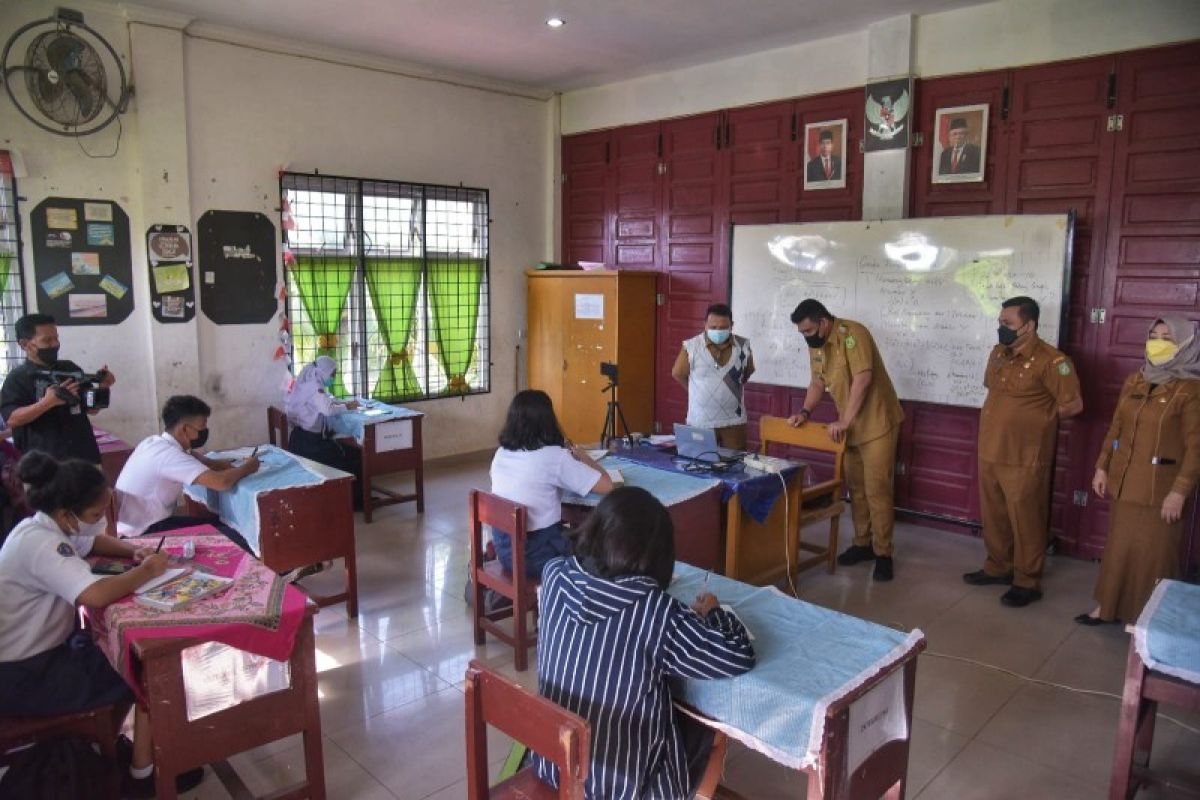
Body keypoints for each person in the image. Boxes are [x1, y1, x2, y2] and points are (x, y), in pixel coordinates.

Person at [0, 452, 203, 796]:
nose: (100, 521)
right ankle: (143, 777)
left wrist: (130, 552)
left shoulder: (45, 524)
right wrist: (147, 571)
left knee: (115, 652)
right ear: (67, 514)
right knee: (145, 667)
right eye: (95, 514)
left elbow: (90, 540)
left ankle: (116, 740)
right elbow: (94, 595)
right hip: (24, 676)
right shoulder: (40, 544)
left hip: (40, 658)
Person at [534, 487, 755, 799]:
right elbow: (737, 655)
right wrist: (714, 612)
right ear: (659, 555)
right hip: (621, 789)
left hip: (552, 763)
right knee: (712, 727)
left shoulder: (554, 574)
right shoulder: (656, 611)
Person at [1078, 317, 1200, 625]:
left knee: (1155, 555)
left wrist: (1180, 491)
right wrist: (1101, 466)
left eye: (1167, 337)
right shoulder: (1136, 380)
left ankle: (1147, 618)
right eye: (1153, 335)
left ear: (1185, 345)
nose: (1158, 342)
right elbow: (1116, 427)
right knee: (1119, 548)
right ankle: (1107, 607)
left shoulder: (1190, 390)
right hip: (1125, 481)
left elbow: (1196, 447)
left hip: (1162, 490)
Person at [965, 296, 1083, 607]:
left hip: (1024, 456)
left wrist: (1038, 423)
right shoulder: (998, 353)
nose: (1001, 328)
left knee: (1026, 519)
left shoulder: (1053, 361)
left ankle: (1027, 581)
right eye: (1000, 322)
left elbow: (1073, 404)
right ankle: (998, 567)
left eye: (1008, 324)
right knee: (995, 515)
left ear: (1029, 326)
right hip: (991, 449)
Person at [787, 299, 904, 581]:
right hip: (850, 427)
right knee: (856, 488)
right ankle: (862, 543)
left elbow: (863, 379)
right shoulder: (817, 346)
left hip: (877, 423)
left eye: (809, 330)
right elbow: (817, 383)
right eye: (802, 332)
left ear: (824, 323)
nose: (807, 336)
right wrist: (805, 412)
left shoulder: (854, 334)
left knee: (877, 489)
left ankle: (884, 553)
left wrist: (845, 420)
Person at [490, 389, 613, 578]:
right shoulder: (554, 457)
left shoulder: (501, 454)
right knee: (599, 550)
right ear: (548, 420)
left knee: (571, 535)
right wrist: (583, 456)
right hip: (539, 556)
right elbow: (607, 486)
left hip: (506, 551)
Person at [114, 395, 260, 538]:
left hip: (136, 524)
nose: (204, 432)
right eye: (201, 428)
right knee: (239, 535)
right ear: (184, 429)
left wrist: (214, 464)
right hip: (145, 532)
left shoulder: (153, 442)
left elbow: (191, 456)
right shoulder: (169, 456)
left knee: (221, 523)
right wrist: (248, 467)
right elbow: (221, 482)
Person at [0, 313, 116, 463]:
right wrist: (46, 403)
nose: (55, 344)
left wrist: (103, 385)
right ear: (25, 344)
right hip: (43, 464)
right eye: (47, 340)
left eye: (56, 338)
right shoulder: (17, 378)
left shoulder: (70, 368)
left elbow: (92, 409)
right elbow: (12, 419)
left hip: (84, 457)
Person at [670, 302, 755, 449]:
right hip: (700, 421)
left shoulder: (743, 345)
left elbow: (746, 374)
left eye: (723, 328)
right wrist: (696, 391)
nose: (718, 331)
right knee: (700, 465)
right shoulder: (691, 346)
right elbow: (678, 374)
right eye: (713, 327)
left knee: (734, 466)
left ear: (731, 325)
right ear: (705, 325)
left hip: (734, 421)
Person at [283, 356, 362, 501]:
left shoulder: (307, 378)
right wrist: (348, 406)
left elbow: (323, 402)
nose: (334, 377)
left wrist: (341, 403)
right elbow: (328, 410)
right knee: (353, 456)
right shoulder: (315, 386)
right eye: (333, 374)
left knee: (346, 451)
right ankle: (355, 501)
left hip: (298, 438)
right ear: (324, 372)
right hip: (310, 444)